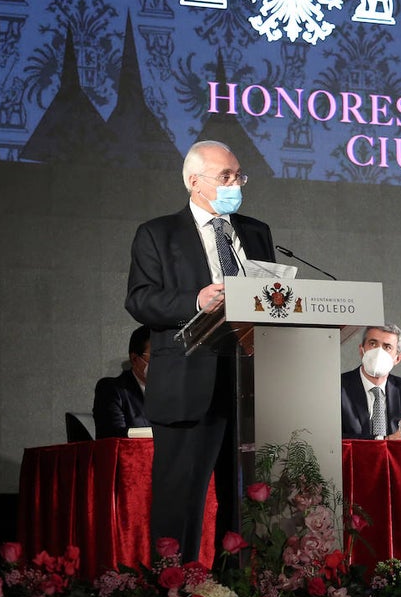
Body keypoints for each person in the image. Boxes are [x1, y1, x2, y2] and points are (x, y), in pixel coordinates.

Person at [125, 140, 276, 562]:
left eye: (238, 176)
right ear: (194, 182)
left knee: (246, 505)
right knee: (181, 504)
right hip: (188, 386)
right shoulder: (158, 233)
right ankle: (174, 592)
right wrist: (196, 300)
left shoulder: (256, 231)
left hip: (247, 386)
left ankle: (237, 596)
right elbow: (139, 300)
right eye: (225, 177)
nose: (235, 184)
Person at [340, 324, 401, 439]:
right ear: (362, 351)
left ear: (397, 358)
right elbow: (330, 437)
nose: (378, 352)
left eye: (387, 347)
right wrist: (385, 440)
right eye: (373, 344)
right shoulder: (338, 386)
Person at [92, 325, 152, 438]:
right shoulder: (111, 389)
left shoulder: (172, 393)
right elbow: (114, 437)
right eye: (156, 356)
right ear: (134, 359)